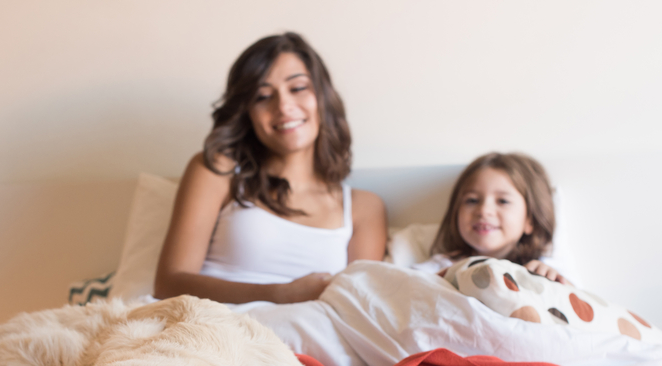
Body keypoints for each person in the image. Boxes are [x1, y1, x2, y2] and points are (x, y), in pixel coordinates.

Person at [153, 32, 387, 304]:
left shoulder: (363, 207)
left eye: (298, 88)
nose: (284, 106)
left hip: (301, 341)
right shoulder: (219, 171)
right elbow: (168, 283)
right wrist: (279, 294)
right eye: (263, 96)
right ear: (247, 112)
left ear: (322, 97)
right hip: (208, 330)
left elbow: (359, 307)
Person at [420, 152, 572, 285]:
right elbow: (404, 287)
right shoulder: (442, 266)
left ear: (530, 220)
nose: (484, 211)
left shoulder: (539, 270)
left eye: (503, 201)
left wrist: (556, 283)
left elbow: (579, 305)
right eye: (472, 200)